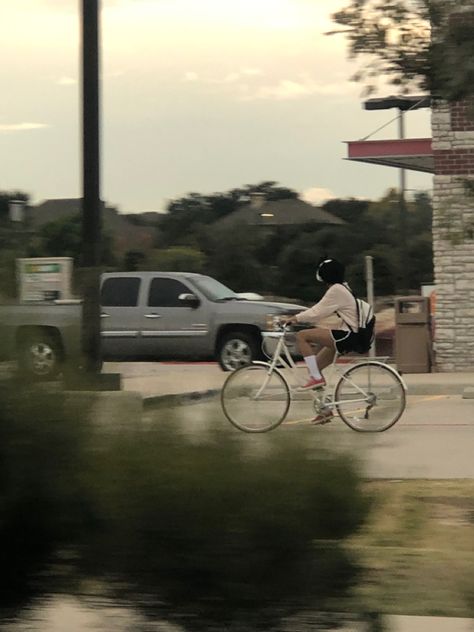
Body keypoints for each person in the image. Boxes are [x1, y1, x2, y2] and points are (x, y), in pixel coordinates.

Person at [284, 257, 359, 424]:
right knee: (314, 367)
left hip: (347, 336)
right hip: (349, 334)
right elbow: (324, 311)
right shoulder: (343, 288)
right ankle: (325, 411)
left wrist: (295, 319)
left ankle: (317, 379)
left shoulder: (336, 290)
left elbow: (317, 312)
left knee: (302, 336)